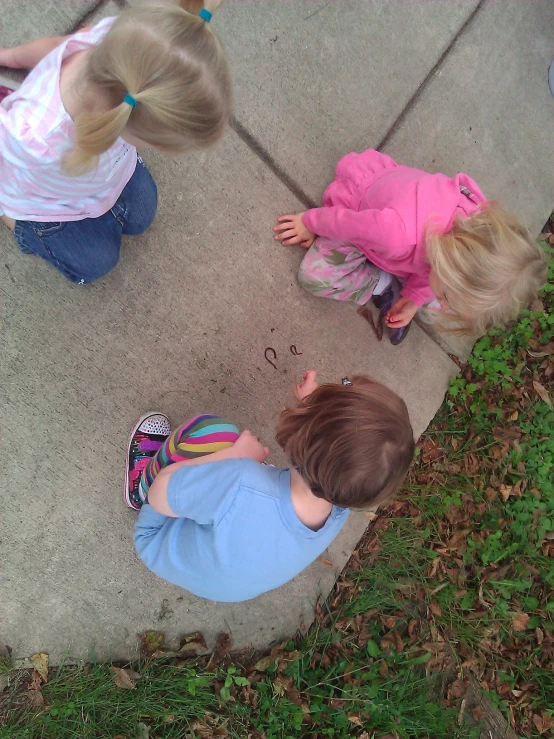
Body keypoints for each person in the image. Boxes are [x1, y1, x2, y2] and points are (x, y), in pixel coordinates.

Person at [126, 371, 415, 602]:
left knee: (213, 431)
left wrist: (233, 456)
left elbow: (162, 494)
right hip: (222, 586)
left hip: (158, 539)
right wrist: (315, 408)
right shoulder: (341, 500)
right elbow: (343, 455)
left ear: (301, 430)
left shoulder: (240, 483)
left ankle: (138, 483)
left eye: (343, 385)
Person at [0, 0, 231, 284]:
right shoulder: (34, 136)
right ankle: (16, 222)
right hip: (49, 203)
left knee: (143, 214)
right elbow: (56, 48)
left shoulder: (116, 45)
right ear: (123, 117)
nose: (161, 151)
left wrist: (10, 57)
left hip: (105, 176)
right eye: (156, 144)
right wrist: (9, 57)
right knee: (97, 263)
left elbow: (55, 46)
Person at [274, 150, 547, 345]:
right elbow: (346, 223)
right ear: (451, 265)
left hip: (400, 225)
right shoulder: (395, 235)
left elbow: (440, 276)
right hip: (361, 209)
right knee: (314, 277)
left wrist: (415, 298)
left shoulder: (474, 226)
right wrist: (310, 222)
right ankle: (380, 283)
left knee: (436, 299)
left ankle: (401, 285)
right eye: (447, 296)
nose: (442, 303)